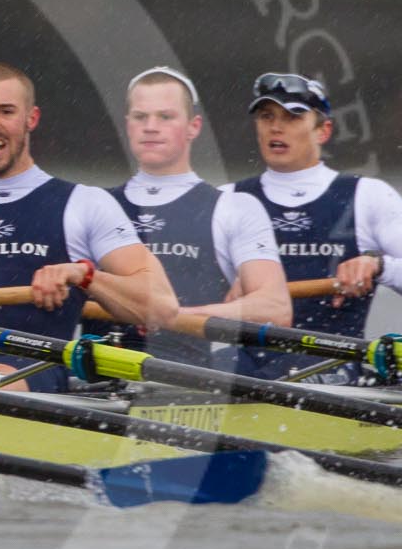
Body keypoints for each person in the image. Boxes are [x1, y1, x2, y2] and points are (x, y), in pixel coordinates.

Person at [0, 62, 176, 392]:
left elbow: (161, 305)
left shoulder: (84, 203)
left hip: (33, 362)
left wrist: (83, 275)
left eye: (5, 112)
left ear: (31, 119)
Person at [227, 71, 402, 379]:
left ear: (323, 131)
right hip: (241, 366)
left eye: (293, 117)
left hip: (331, 368)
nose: (276, 127)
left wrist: (379, 267)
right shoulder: (226, 200)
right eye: (266, 116)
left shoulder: (367, 196)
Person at [109, 66, 288, 366]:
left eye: (165, 117)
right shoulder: (91, 204)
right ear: (127, 124)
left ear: (194, 126)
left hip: (194, 385)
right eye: (141, 117)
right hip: (100, 386)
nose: (150, 127)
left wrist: (176, 316)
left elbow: (275, 307)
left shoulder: (233, 208)